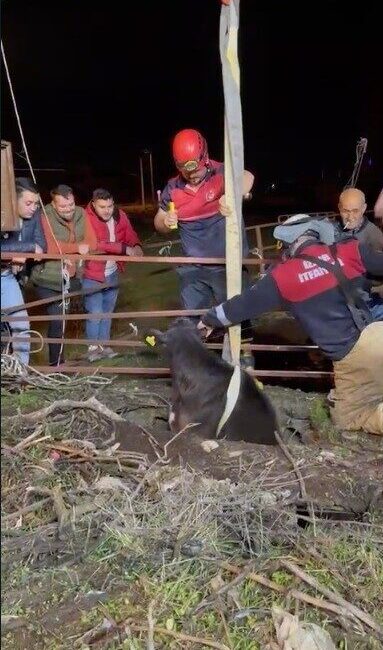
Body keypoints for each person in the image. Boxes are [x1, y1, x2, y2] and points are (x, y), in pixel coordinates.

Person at [198, 214, 383, 435]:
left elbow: (241, 306)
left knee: (347, 419)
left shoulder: (283, 277)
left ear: (291, 242)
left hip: (352, 355)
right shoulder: (350, 250)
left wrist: (208, 320)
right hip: (377, 330)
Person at [154, 128, 254, 312]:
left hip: (227, 265)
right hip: (193, 270)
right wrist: (166, 222)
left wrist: (232, 195)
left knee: (238, 321)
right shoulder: (173, 187)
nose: (192, 176)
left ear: (205, 158)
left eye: (196, 170)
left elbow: (247, 177)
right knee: (195, 323)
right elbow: (158, 222)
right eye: (186, 172)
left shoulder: (220, 172)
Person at [30, 184, 97, 366]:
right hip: (47, 278)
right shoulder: (44, 215)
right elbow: (47, 246)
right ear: (53, 203)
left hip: (71, 276)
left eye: (71, 205)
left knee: (64, 319)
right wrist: (76, 249)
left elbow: (92, 242)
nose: (68, 210)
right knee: (57, 319)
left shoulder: (81, 214)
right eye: (63, 207)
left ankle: (62, 360)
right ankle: (56, 365)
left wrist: (70, 253)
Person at [83, 188, 143, 362]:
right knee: (95, 312)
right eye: (102, 207)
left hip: (112, 272)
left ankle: (104, 346)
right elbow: (96, 244)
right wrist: (124, 249)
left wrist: (136, 245)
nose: (107, 210)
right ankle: (93, 349)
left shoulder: (119, 215)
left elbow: (129, 233)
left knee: (108, 311)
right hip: (92, 273)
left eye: (110, 206)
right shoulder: (86, 218)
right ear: (93, 204)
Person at [1, 177, 46, 365]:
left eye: (36, 203)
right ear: (13, 201)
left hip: (8, 277)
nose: (33, 207)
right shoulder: (3, 214)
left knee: (21, 325)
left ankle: (21, 373)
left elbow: (41, 245)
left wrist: (22, 254)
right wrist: (23, 250)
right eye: (28, 203)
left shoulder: (34, 215)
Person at [337, 187, 383, 320]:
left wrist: (377, 288)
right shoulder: (334, 230)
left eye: (355, 211)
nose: (350, 216)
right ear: (339, 208)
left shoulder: (374, 235)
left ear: (364, 209)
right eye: (346, 211)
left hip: (368, 300)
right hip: (344, 299)